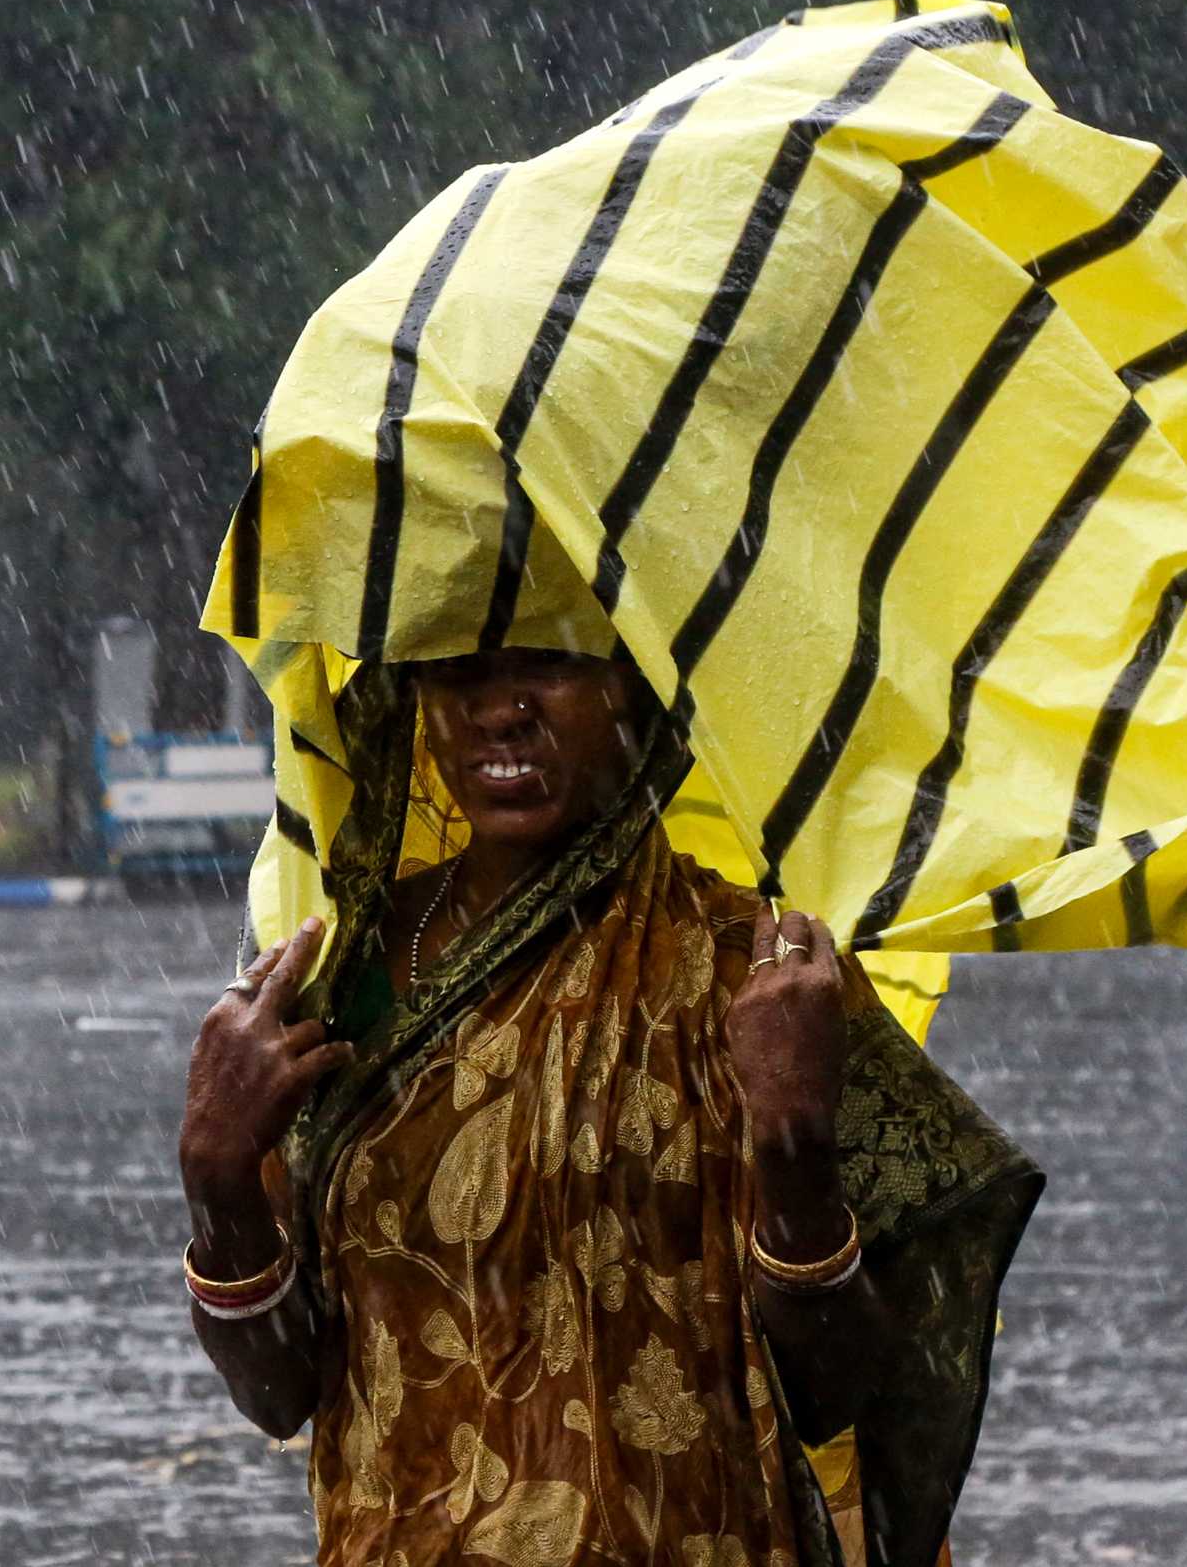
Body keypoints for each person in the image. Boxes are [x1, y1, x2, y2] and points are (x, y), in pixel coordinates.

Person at [178, 646, 1041, 1567]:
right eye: (459, 668)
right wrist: (217, 1172)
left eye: (551, 662)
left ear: (639, 687)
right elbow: (278, 1391)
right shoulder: (345, 979)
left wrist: (795, 1145)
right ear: (414, 697)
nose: (500, 710)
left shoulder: (754, 976)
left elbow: (834, 1390)